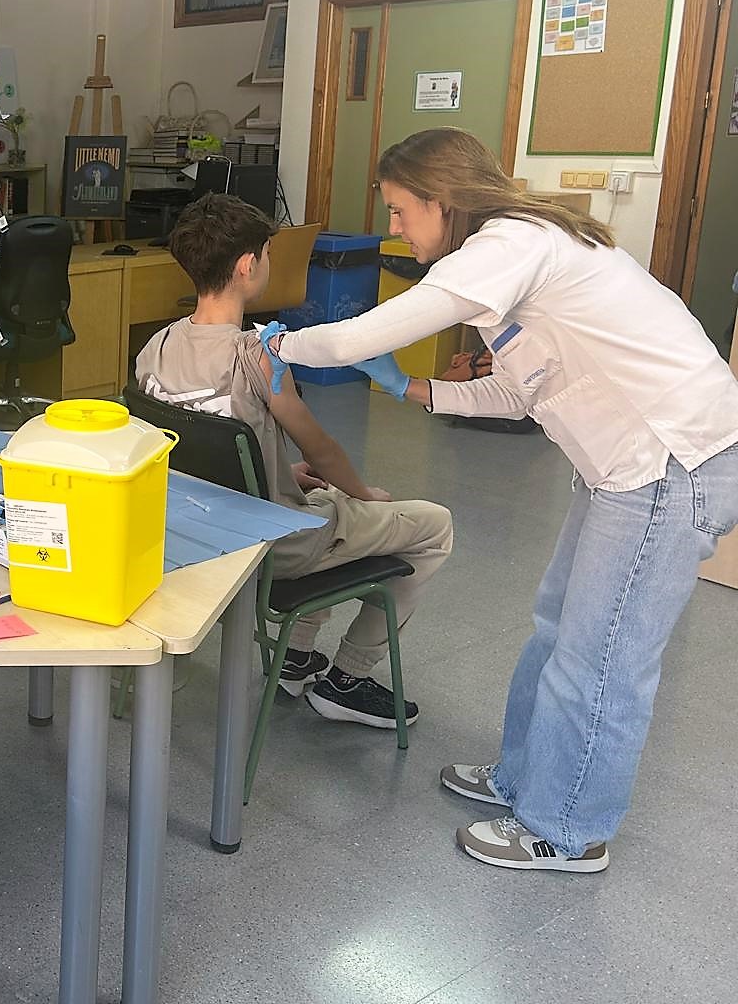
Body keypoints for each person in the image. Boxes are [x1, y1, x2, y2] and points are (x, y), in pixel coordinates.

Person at [263, 127, 738, 873]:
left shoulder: (514, 243)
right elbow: (519, 393)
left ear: (442, 201)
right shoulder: (513, 259)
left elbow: (357, 337)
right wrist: (412, 388)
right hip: (625, 469)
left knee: (600, 660)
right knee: (556, 630)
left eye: (400, 210)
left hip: (669, 465)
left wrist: (277, 347)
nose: (395, 228)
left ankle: (566, 831)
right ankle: (524, 779)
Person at [135, 194, 453, 728]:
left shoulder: (156, 347)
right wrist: (363, 495)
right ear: (247, 265)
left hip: (194, 534)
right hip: (271, 546)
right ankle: (349, 678)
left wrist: (278, 475)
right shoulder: (258, 356)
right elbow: (320, 449)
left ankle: (296, 658)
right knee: (432, 526)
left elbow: (202, 442)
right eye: (266, 254)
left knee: (317, 495)